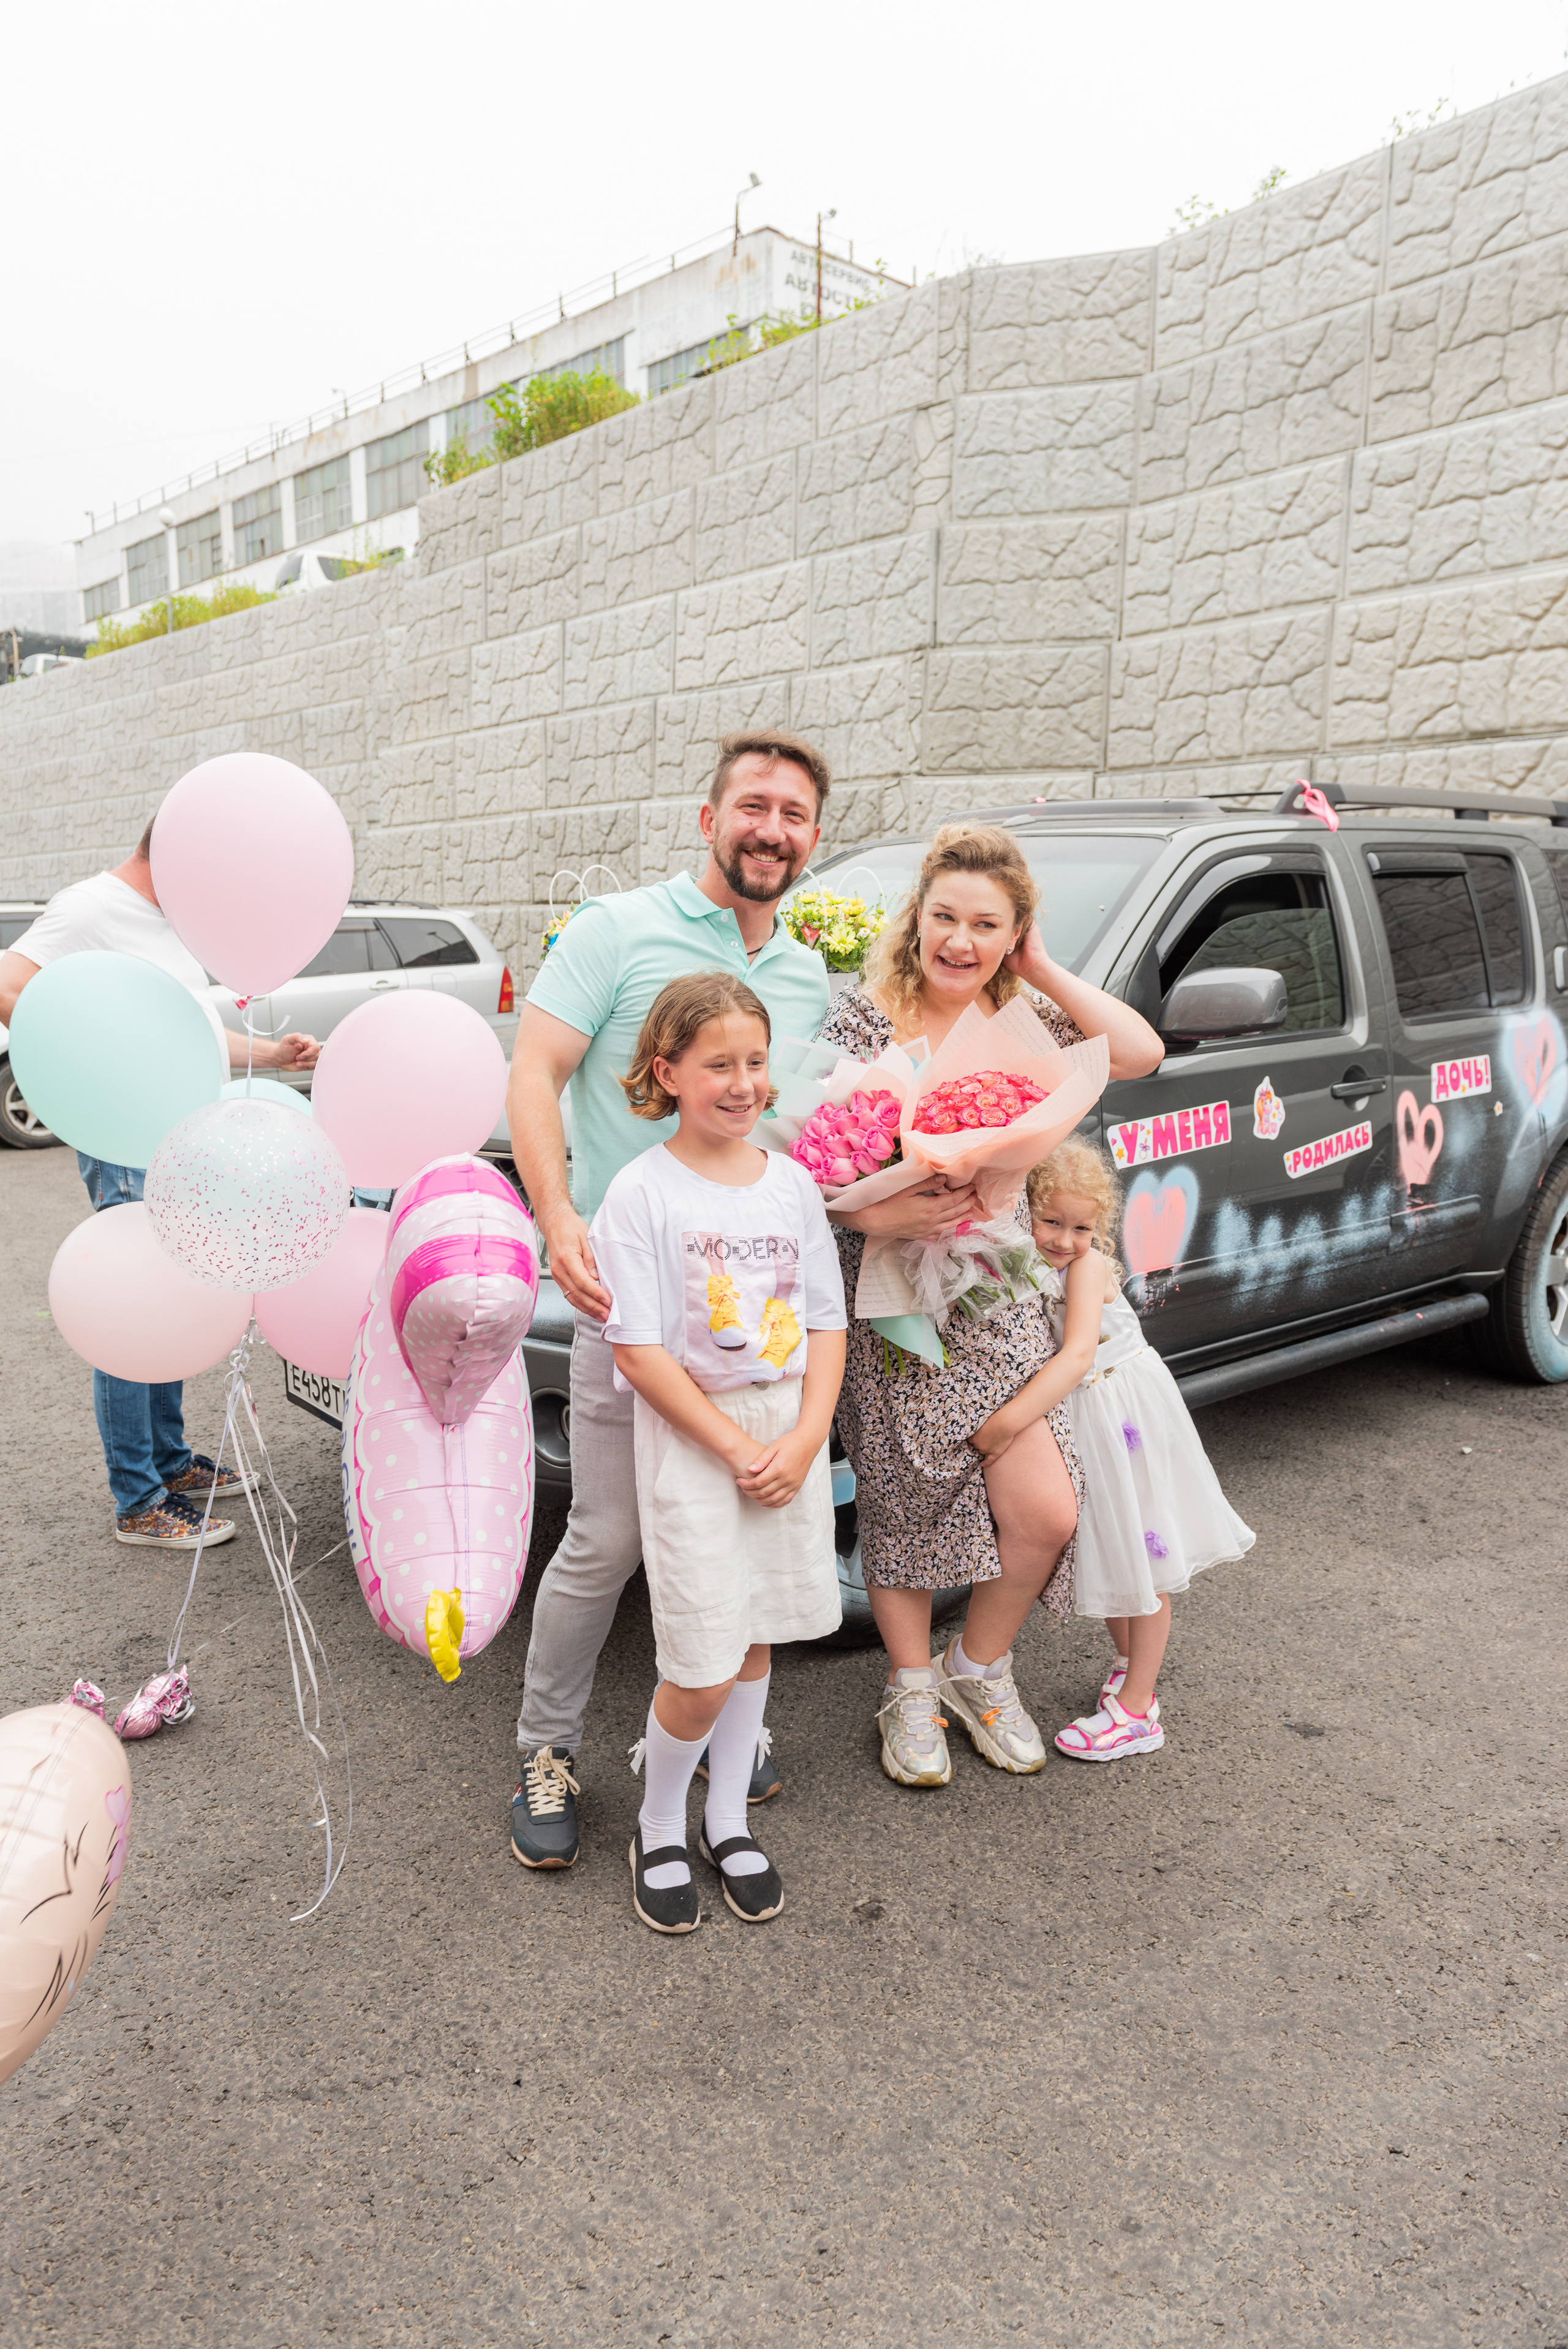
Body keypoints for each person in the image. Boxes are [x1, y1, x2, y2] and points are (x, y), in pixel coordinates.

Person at [505, 730, 834, 1871]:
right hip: (628, 1313)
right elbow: (532, 1074)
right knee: (607, 1541)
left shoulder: (805, 975)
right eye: (753, 805)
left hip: (756, 1345)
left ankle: (691, 1739)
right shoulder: (614, 931)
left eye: (794, 813)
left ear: (814, 839)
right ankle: (547, 1748)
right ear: (710, 819)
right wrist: (557, 1216)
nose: (771, 828)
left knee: (733, 1532)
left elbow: (790, 1137)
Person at [813, 823, 1165, 1789]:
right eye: (944, 917)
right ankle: (913, 1687)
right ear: (916, 918)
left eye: (986, 924)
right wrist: (891, 1200)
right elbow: (814, 1162)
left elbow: (1137, 1049)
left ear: (1012, 933)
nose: (960, 941)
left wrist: (1044, 967)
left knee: (1046, 1511)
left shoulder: (1028, 1018)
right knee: (906, 1501)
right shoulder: (861, 1021)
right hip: (890, 1298)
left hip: (999, 1299)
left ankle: (980, 1668)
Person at [591, 973, 846, 1932]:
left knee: (755, 1638)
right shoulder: (642, 1192)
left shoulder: (788, 1182)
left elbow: (825, 1318)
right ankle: (659, 1824)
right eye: (717, 1065)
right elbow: (640, 1348)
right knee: (700, 1656)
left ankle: (727, 1818)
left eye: (753, 1061)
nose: (741, 1083)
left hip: (787, 1433)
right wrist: (740, 1443)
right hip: (702, 1441)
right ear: (668, 1070)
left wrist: (807, 1434)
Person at [0, 819, 321, 1550]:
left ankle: (171, 1465)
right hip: (124, 1134)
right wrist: (105, 1044)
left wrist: (271, 1055)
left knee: (173, 1295)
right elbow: (8, 986)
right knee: (131, 1302)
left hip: (177, 1138)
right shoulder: (90, 908)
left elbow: (187, 1035)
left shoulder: (171, 924)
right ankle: (138, 1499)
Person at [1025, 1139, 1256, 1760]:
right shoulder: (1034, 1263)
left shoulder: (1087, 1269)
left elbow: (1076, 1353)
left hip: (1119, 1410)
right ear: (1028, 1210)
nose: (1064, 1238)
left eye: (1082, 1227)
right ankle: (1131, 1667)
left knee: (1143, 1554)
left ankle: (1136, 1710)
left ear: (1099, 1230)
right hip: (1089, 1414)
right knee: (1108, 1546)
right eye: (1050, 1221)